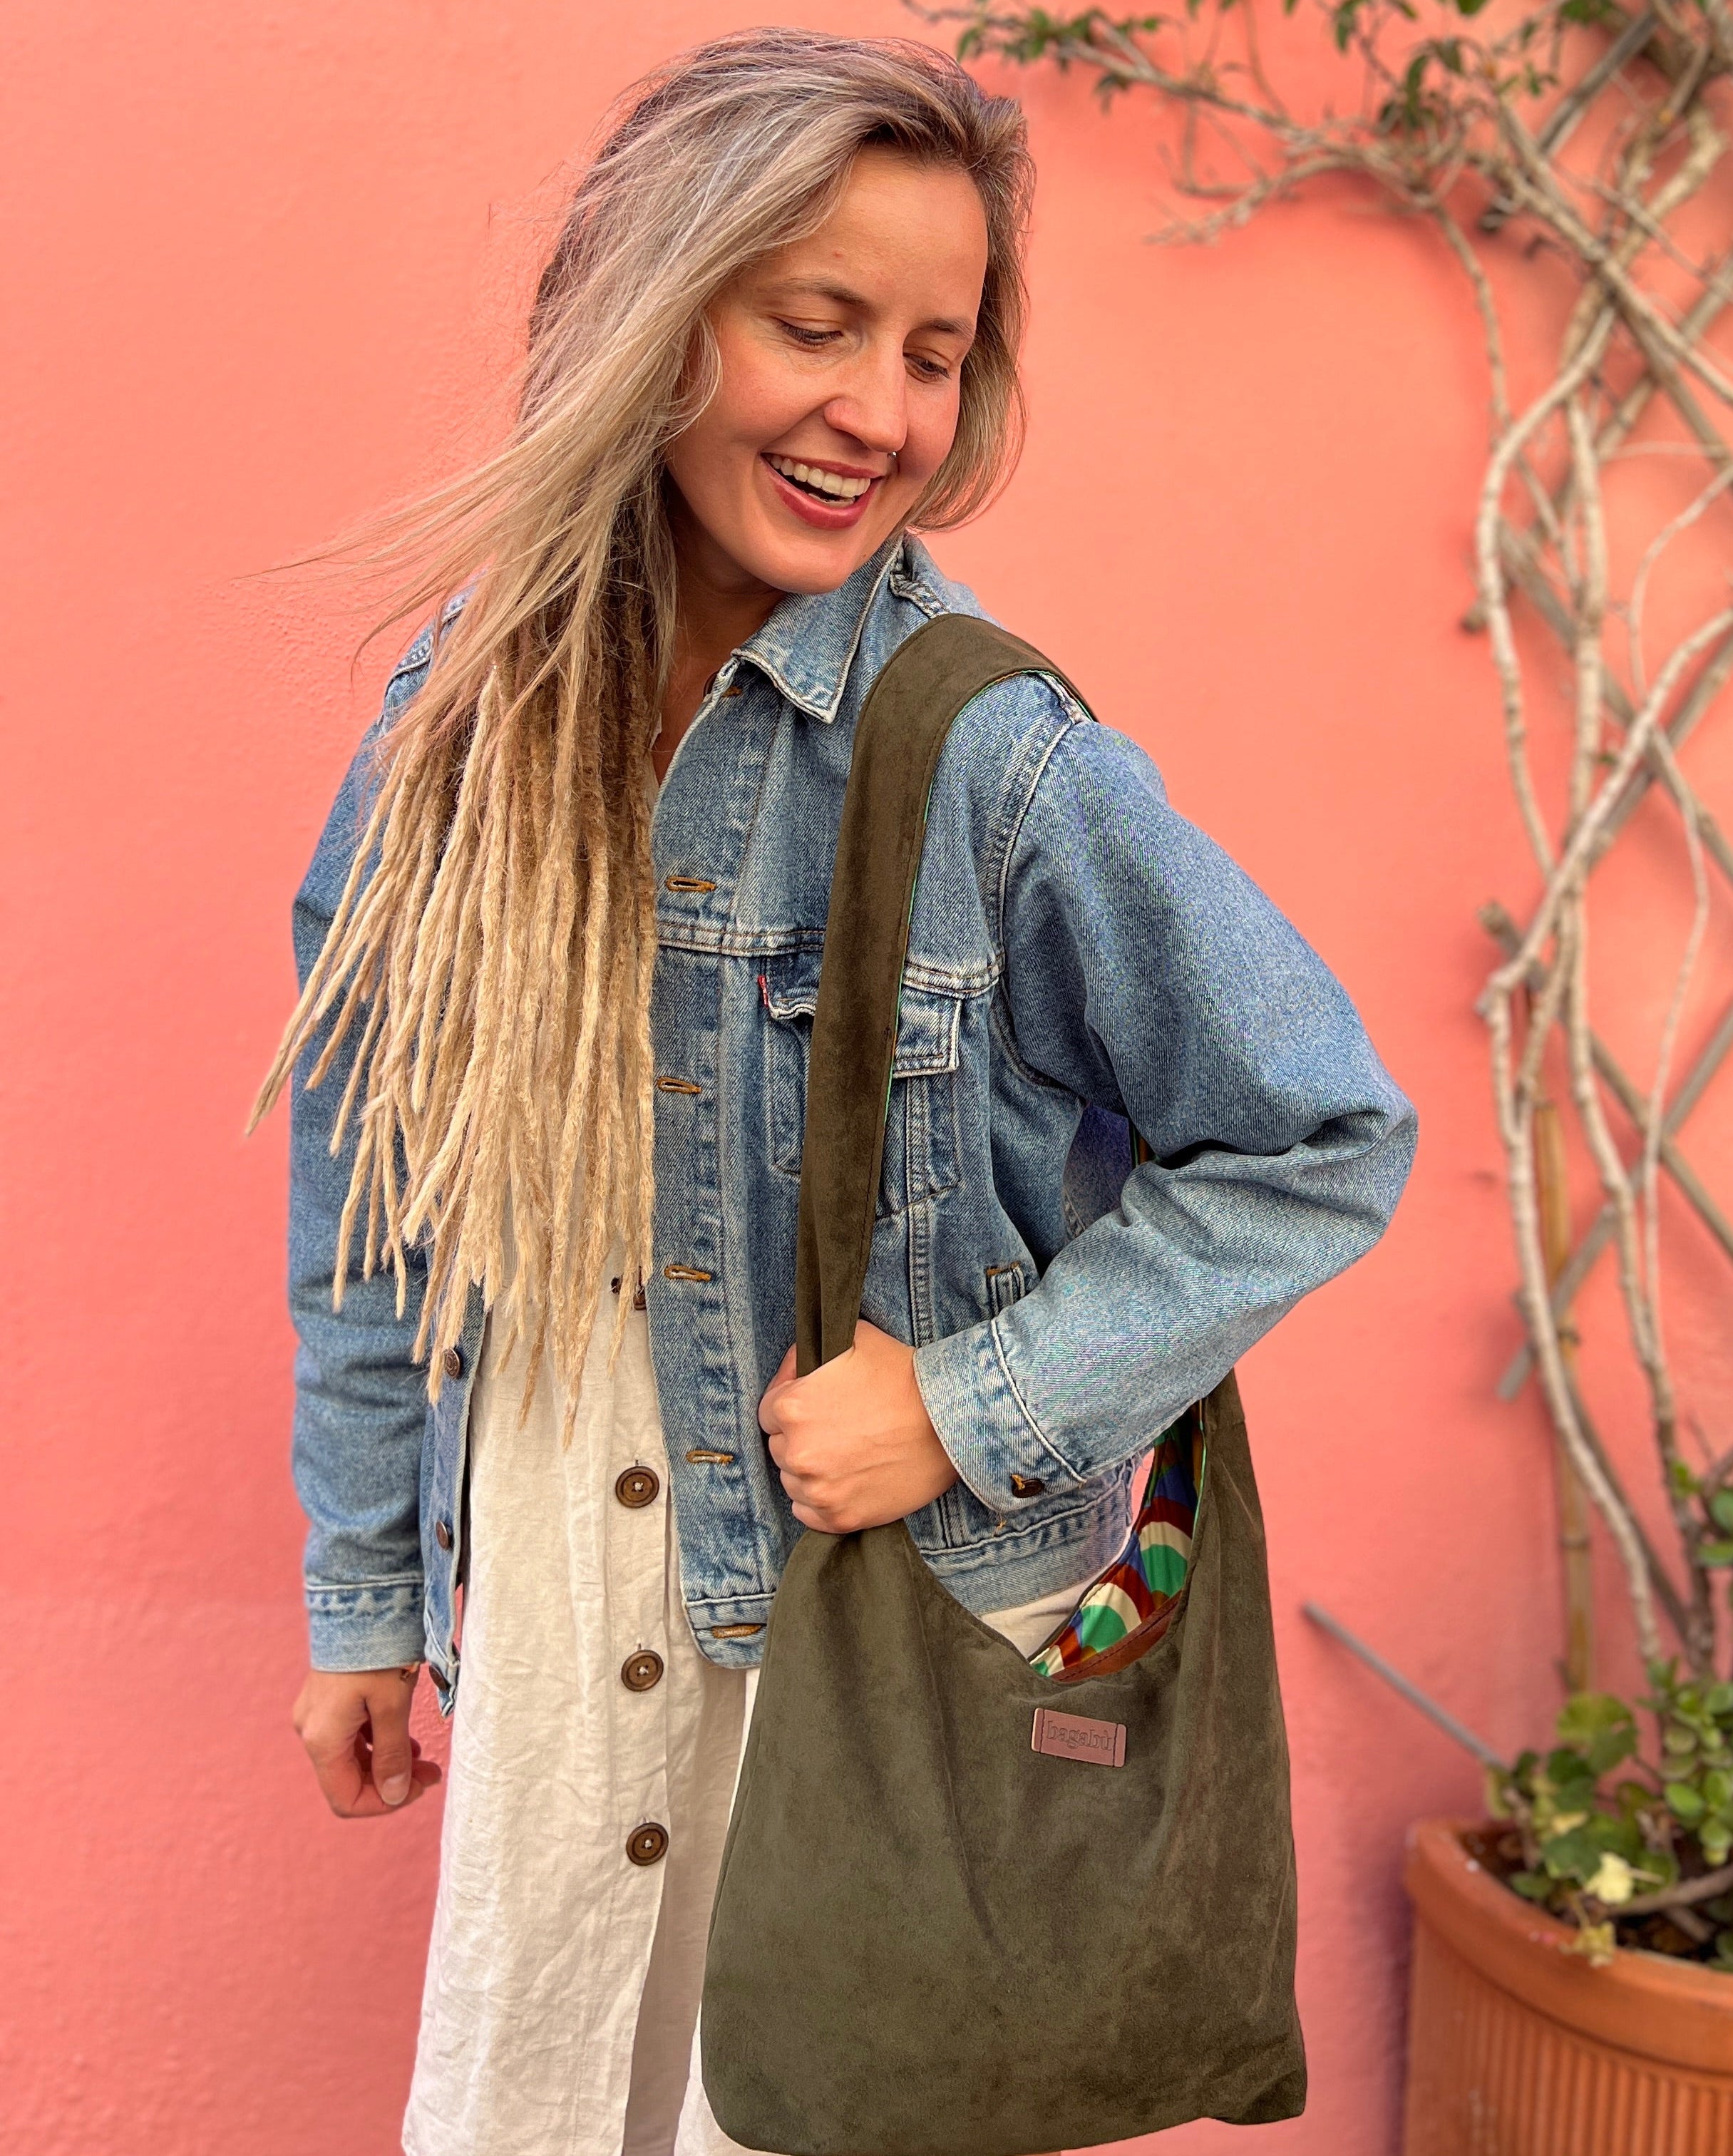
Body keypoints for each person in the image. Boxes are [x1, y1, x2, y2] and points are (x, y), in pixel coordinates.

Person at [256, 28, 1416, 2156]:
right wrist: (356, 1594)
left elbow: (1323, 1137)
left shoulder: (993, 759)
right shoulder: (460, 722)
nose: (882, 409)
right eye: (819, 324)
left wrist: (973, 1407)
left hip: (847, 1646)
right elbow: (372, 1195)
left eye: (937, 352)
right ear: (653, 306)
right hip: (550, 1601)